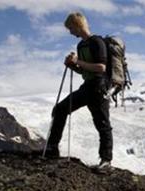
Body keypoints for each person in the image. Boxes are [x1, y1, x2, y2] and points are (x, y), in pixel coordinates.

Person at [45, 12, 113, 170]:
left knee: (102, 124)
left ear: (77, 25)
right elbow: (85, 71)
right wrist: (73, 66)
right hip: (88, 86)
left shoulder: (97, 42)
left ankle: (106, 161)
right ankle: (52, 148)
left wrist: (78, 61)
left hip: (99, 87)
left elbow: (101, 67)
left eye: (70, 28)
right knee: (60, 109)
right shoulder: (81, 45)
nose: (70, 32)